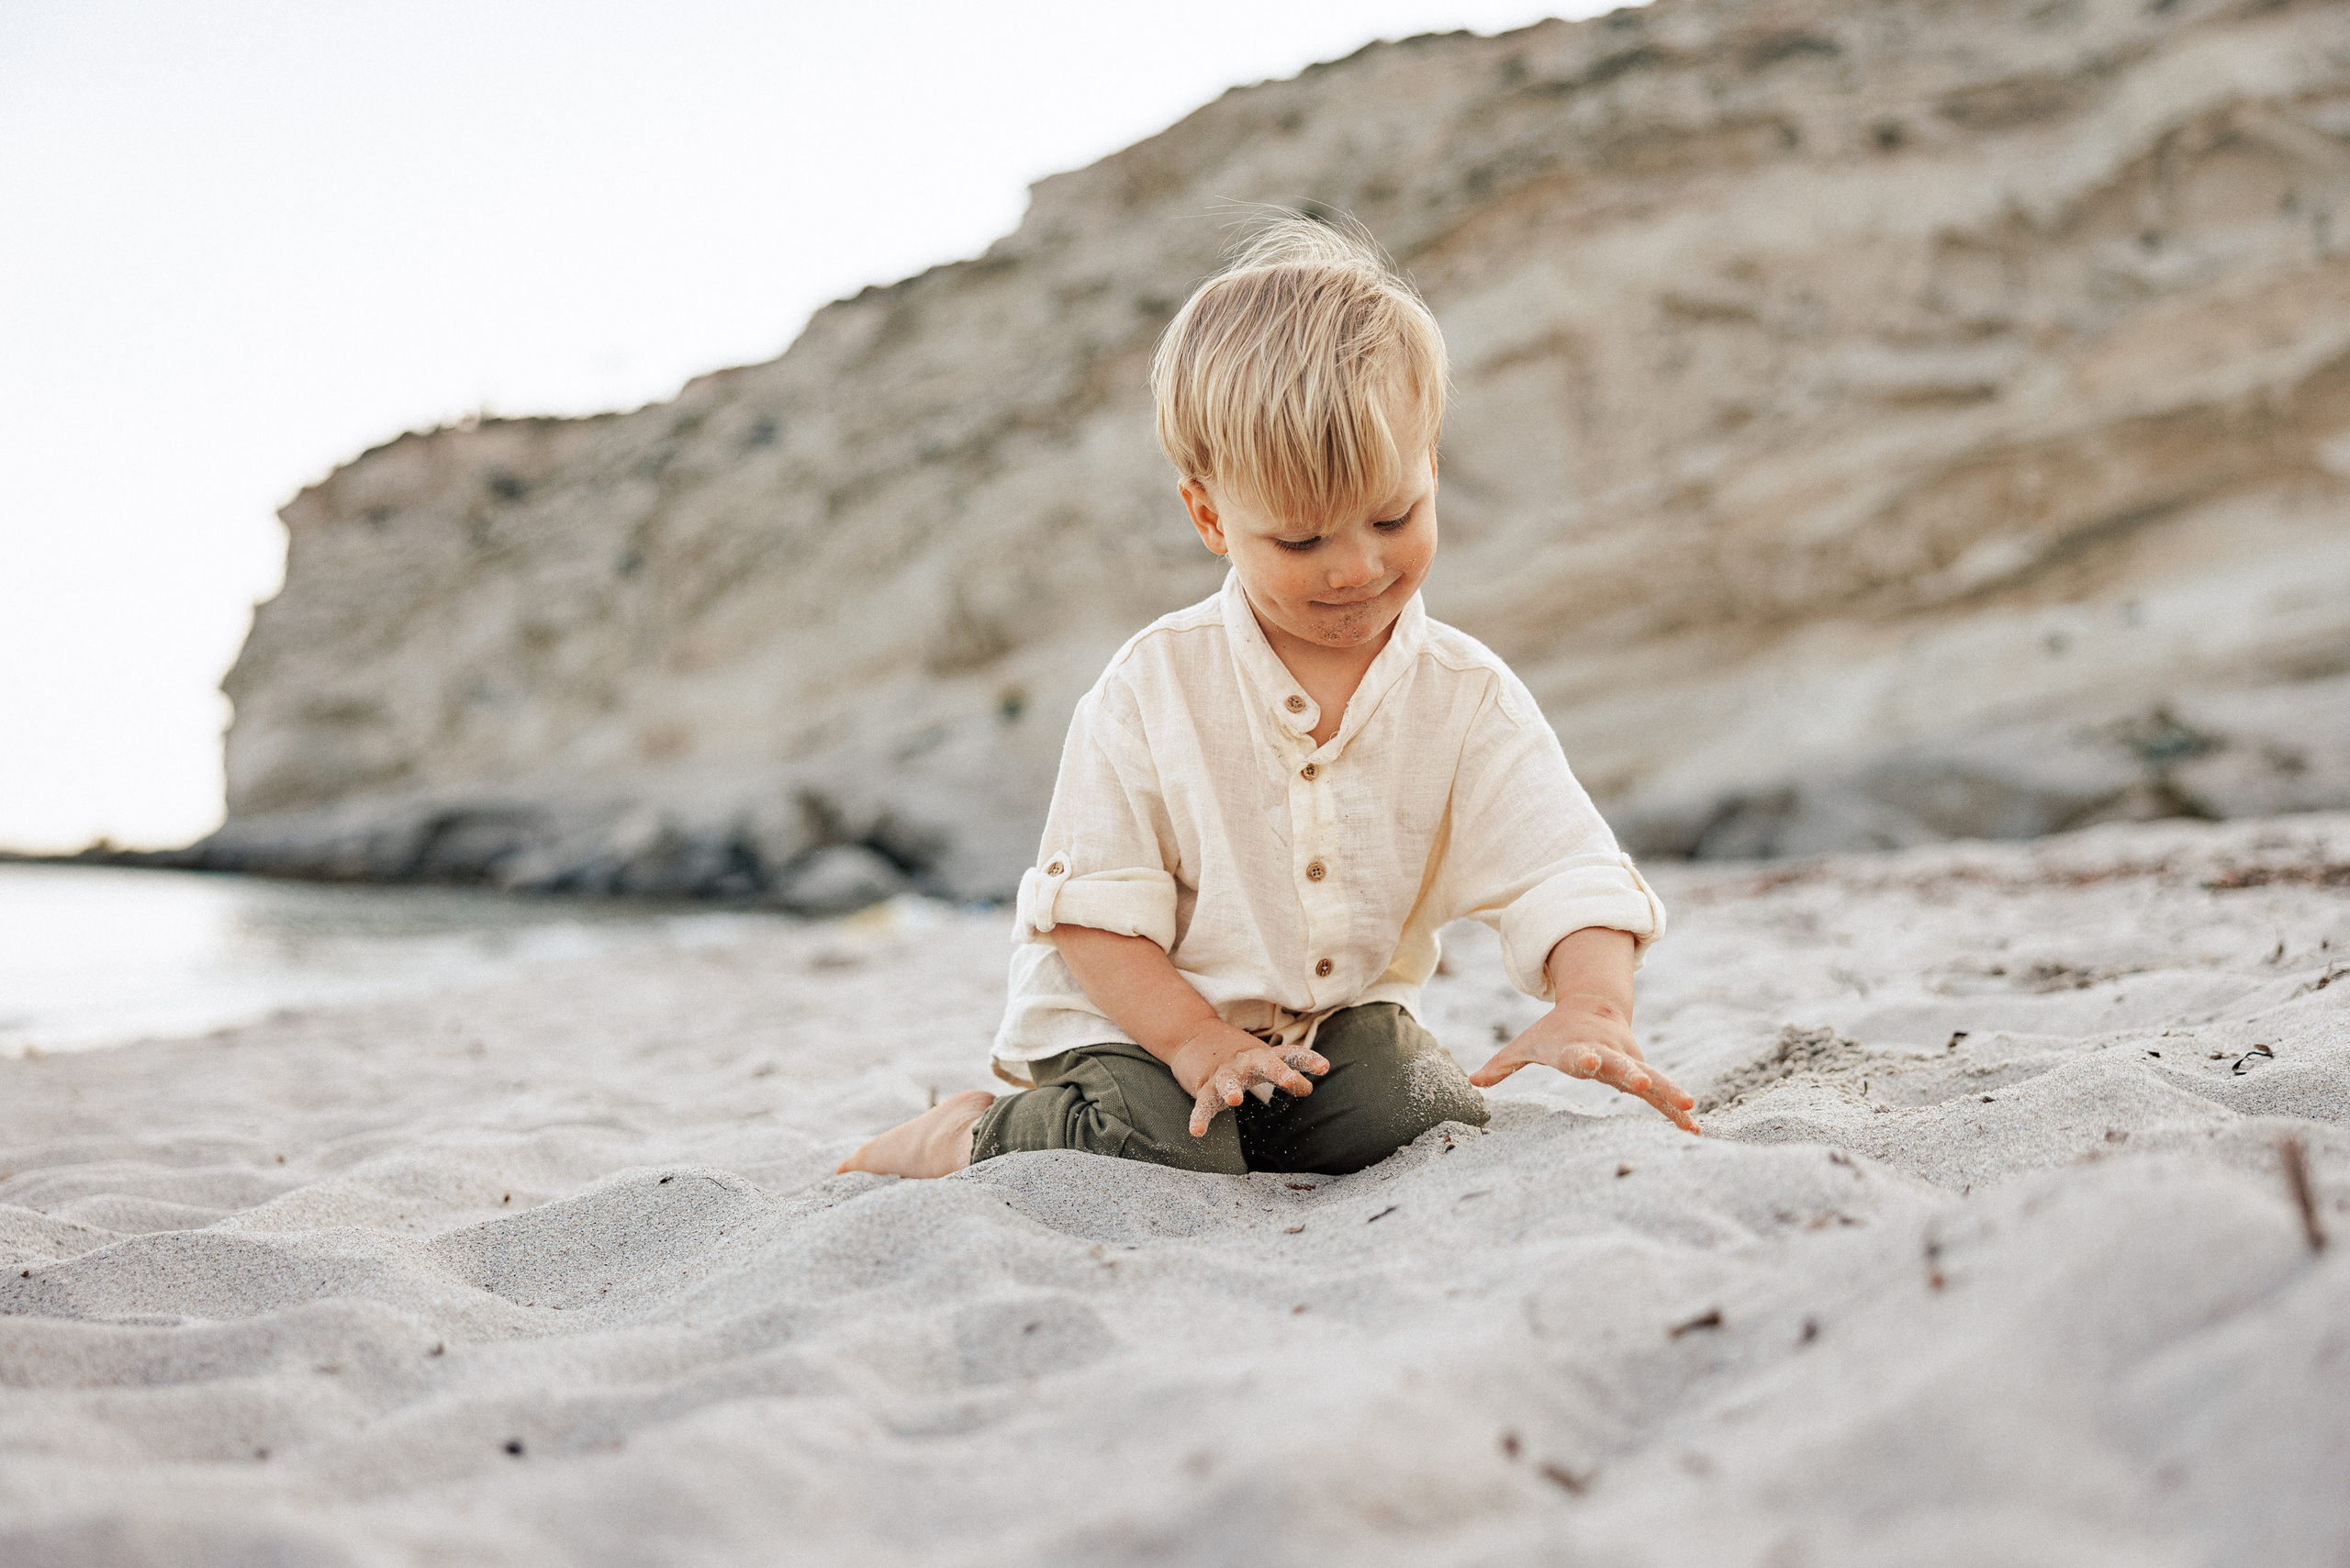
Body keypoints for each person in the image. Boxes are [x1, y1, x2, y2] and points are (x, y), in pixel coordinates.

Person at [839, 214, 1697, 1181]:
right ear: (1210, 515)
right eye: (1301, 541)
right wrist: (1199, 1042)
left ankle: (1274, 1121)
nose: (1358, 567)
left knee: (1413, 1107)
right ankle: (956, 1131)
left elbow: (1564, 869)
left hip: (1317, 1032)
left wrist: (1592, 1001)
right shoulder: (1150, 688)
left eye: (1393, 515)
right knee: (1149, 1141)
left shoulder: (1464, 696)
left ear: (1432, 471)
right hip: (1132, 1035)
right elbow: (1093, 917)